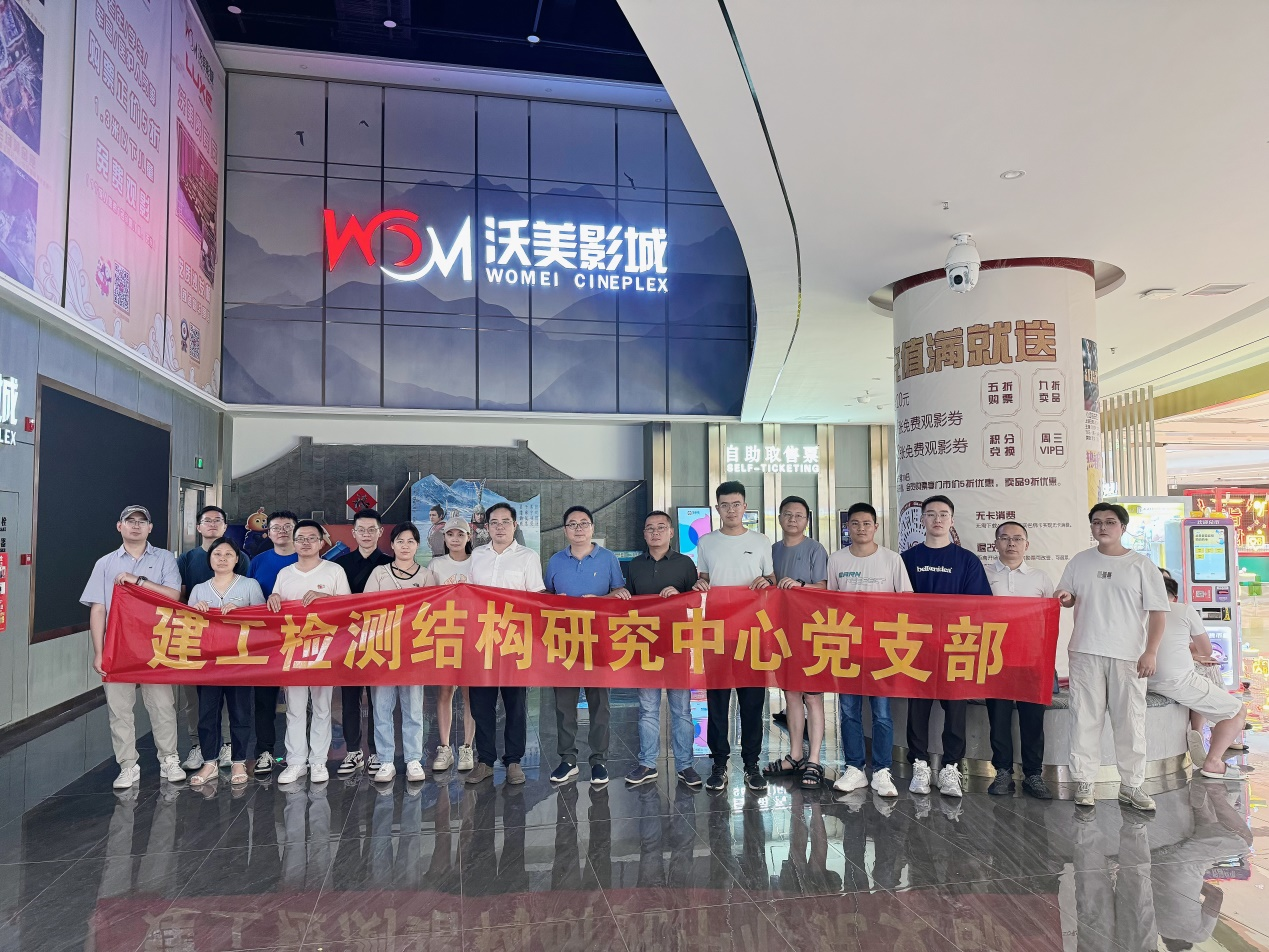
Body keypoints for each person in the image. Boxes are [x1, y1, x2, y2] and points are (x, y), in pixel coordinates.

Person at [1055, 503, 1169, 811]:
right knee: (1084, 719)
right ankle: (1084, 782)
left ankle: (1132, 785)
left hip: (1128, 655)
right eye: (1096, 522)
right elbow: (1067, 596)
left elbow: (1158, 613)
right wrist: (1065, 598)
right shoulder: (1080, 561)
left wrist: (1151, 651)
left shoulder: (1141, 565)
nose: (1102, 527)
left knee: (1130, 721)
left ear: (1123, 527)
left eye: (1109, 522)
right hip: (1085, 650)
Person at [81, 505, 187, 788]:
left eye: (142, 521)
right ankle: (127, 765)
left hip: (156, 645)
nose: (136, 526)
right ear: (120, 526)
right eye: (130, 521)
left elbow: (173, 596)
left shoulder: (164, 558)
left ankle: (169, 758)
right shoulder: (105, 563)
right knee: (119, 709)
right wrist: (99, 652)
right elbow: (98, 609)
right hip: (118, 647)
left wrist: (138, 581)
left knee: (162, 705)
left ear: (150, 528)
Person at [900, 495, 992, 799]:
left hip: (956, 646)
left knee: (956, 709)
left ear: (951, 520)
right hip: (918, 647)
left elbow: (979, 606)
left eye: (943, 514)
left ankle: (951, 767)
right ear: (922, 520)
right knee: (918, 709)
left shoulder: (967, 561)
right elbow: (896, 603)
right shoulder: (907, 559)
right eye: (930, 514)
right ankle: (920, 765)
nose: (937, 519)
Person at [694, 481, 775, 794]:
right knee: (717, 701)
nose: (731, 510)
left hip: (752, 632)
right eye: (725, 505)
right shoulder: (706, 542)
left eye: (736, 504)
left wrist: (766, 582)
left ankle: (752, 764)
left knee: (752, 702)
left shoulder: (761, 541)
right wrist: (700, 585)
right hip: (717, 632)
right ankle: (719, 764)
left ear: (745, 507)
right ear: (717, 508)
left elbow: (771, 579)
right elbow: (703, 578)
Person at [828, 502, 911, 799]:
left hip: (882, 648)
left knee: (882, 712)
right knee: (848, 710)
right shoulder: (836, 559)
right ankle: (854, 768)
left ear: (876, 527)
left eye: (866, 523)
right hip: (847, 646)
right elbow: (830, 602)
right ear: (847, 527)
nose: (861, 528)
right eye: (855, 523)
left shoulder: (891, 559)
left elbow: (907, 600)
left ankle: (881, 770)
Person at [544, 505, 630, 788]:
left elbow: (621, 593)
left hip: (598, 641)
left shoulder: (608, 559)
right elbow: (545, 597)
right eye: (572, 524)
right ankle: (567, 759)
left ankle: (599, 761)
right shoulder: (555, 561)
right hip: (564, 642)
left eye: (584, 523)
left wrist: (601, 600)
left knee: (600, 704)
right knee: (564, 705)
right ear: (565, 530)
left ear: (592, 528)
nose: (578, 528)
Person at [466, 502, 545, 785]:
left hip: (515, 640)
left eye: (505, 522)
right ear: (487, 527)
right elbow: (468, 595)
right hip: (482, 640)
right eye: (494, 522)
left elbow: (536, 597)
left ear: (515, 525)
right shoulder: (477, 555)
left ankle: (513, 761)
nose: (500, 527)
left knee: (516, 704)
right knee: (481, 704)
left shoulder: (527, 557)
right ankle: (485, 761)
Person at [622, 510, 702, 789]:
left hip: (677, 645)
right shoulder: (634, 565)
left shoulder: (685, 564)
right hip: (644, 645)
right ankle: (647, 763)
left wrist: (681, 596)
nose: (655, 532)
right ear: (644, 534)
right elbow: (627, 604)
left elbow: (696, 603)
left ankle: (685, 765)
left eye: (660, 527)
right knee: (647, 709)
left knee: (681, 709)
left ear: (671, 532)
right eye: (649, 528)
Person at [269, 520, 352, 785]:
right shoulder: (285, 573)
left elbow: (348, 609)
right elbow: (275, 609)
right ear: (293, 543)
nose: (306, 543)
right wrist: (272, 598)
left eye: (311, 538)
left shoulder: (334, 571)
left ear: (321, 542)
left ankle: (318, 762)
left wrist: (325, 599)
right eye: (301, 538)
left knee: (322, 707)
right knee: (294, 709)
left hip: (324, 650)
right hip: (292, 651)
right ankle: (295, 762)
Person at [983, 520, 1057, 800]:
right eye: (1005, 538)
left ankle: (1033, 775)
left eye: (1017, 538)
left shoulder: (1040, 578)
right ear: (996, 544)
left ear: (1027, 544)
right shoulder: (984, 574)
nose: (1011, 543)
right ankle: (1003, 772)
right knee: (998, 718)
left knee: (1033, 718)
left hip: (1032, 659)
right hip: (995, 658)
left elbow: (1049, 619)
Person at [1151, 574, 1248, 780]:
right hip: (1175, 681)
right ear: (1174, 597)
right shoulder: (1184, 610)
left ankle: (1201, 729)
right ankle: (1214, 760)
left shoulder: (1135, 611)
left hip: (1144, 679)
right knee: (1237, 711)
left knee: (1202, 676)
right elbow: (1206, 650)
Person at [186, 536, 265, 786]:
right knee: (207, 713)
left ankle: (239, 760)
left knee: (240, 712)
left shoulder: (249, 585)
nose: (222, 558)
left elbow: (265, 621)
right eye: (217, 554)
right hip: (208, 664)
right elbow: (186, 627)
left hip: (240, 662)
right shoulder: (199, 589)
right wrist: (195, 611)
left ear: (237, 559)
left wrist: (243, 613)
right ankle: (209, 762)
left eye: (228, 554)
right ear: (209, 559)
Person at [363, 522, 438, 784]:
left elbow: (434, 611)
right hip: (383, 649)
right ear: (392, 545)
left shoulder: (426, 575)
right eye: (400, 541)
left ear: (418, 546)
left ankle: (413, 759)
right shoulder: (380, 573)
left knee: (413, 707)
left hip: (414, 650)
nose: (405, 546)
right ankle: (385, 760)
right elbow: (366, 607)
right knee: (382, 707)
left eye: (410, 541)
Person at [176, 504, 248, 771]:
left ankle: (227, 744)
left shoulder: (242, 557)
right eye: (207, 520)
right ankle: (198, 745)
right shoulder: (186, 559)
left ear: (225, 526)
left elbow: (250, 600)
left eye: (218, 520)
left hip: (233, 644)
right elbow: (178, 596)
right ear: (198, 527)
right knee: (196, 698)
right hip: (197, 641)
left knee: (231, 697)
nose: (212, 524)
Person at [765, 495, 829, 789]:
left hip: (811, 631)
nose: (793, 519)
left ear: (807, 520)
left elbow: (825, 587)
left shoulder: (815, 549)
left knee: (812, 696)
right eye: (787, 514)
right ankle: (795, 755)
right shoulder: (772, 550)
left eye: (799, 515)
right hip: (782, 632)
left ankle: (814, 760)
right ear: (779, 518)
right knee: (790, 694)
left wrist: (801, 585)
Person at [333, 509, 392, 779]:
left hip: (382, 639)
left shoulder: (391, 564)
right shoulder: (340, 565)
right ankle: (353, 751)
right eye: (361, 530)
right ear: (353, 533)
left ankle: (378, 752)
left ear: (380, 532)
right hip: (349, 639)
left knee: (380, 699)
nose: (366, 534)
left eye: (372, 530)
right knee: (350, 697)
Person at [247, 509, 299, 777]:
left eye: (288, 527)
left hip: (300, 639)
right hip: (265, 641)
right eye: (276, 527)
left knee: (300, 699)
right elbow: (248, 595)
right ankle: (264, 752)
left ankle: (299, 754)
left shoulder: (309, 559)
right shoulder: (258, 561)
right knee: (265, 699)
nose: (282, 531)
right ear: (268, 532)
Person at [428, 516, 477, 772]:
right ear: (444, 538)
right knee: (445, 691)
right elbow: (426, 599)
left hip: (473, 635)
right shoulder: (436, 564)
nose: (455, 539)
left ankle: (467, 747)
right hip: (445, 634)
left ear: (469, 537)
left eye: (460, 534)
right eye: (450, 534)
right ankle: (445, 748)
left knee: (470, 694)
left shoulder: (478, 562)